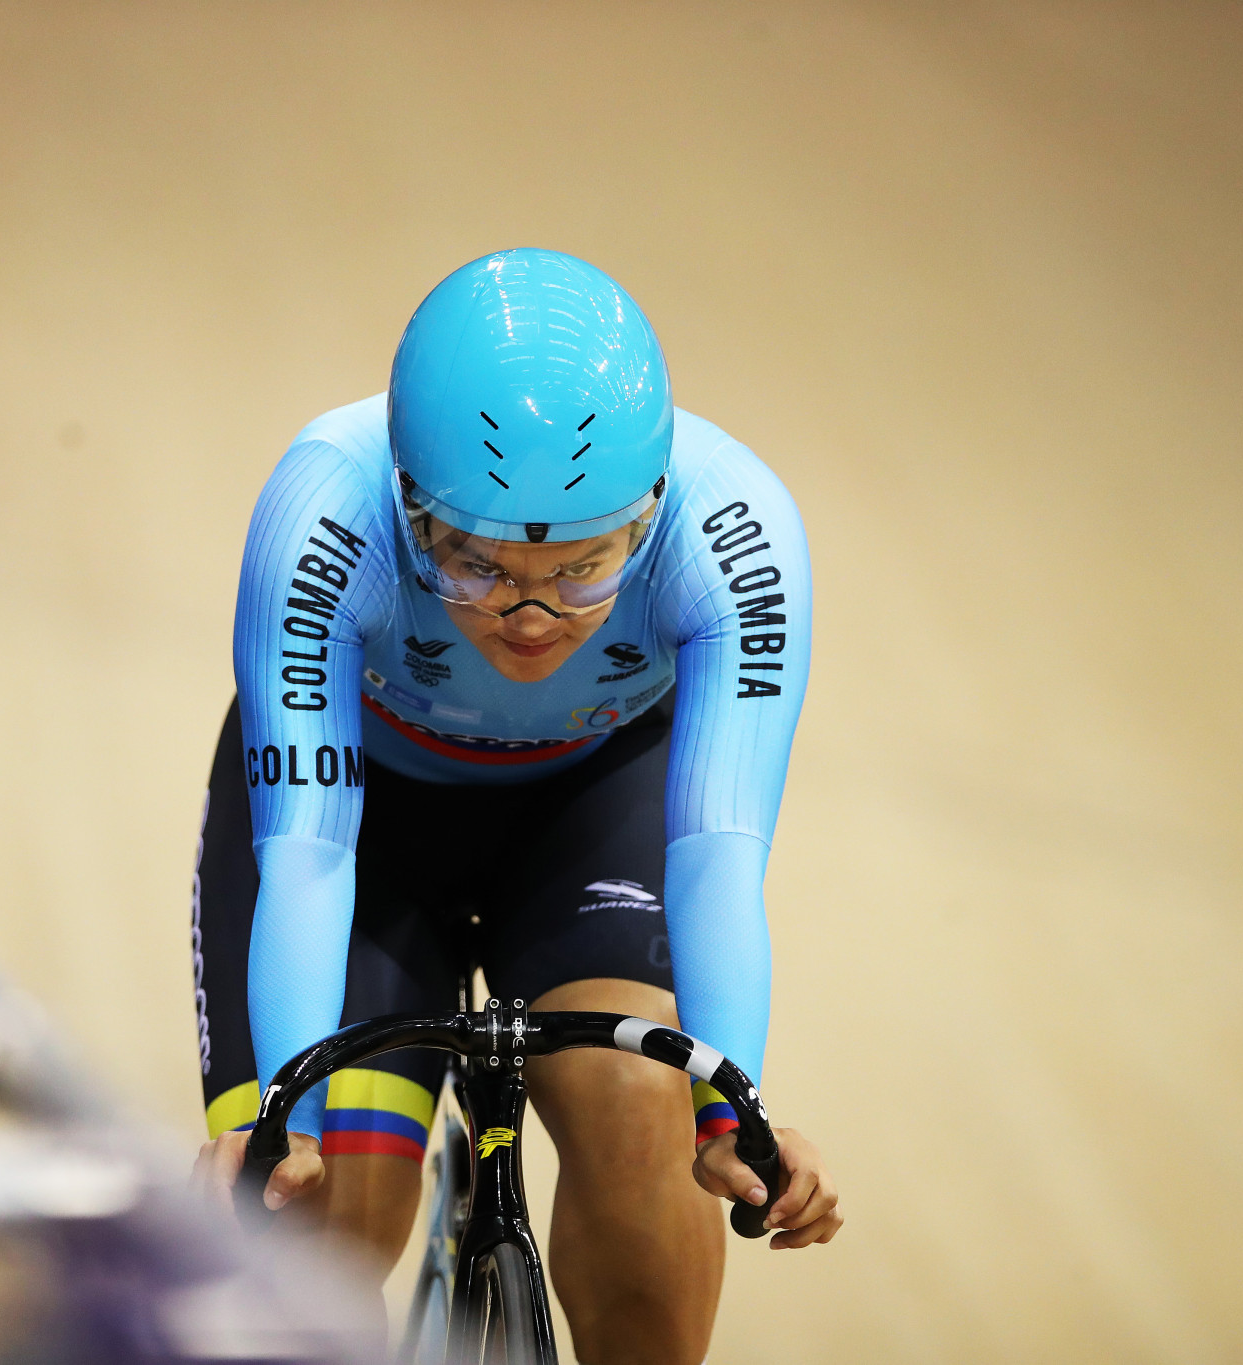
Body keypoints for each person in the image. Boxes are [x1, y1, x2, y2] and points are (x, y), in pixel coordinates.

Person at [192, 248, 841, 1364]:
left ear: (651, 519)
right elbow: (305, 857)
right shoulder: (322, 510)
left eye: (587, 571)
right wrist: (279, 1120)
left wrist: (731, 1106)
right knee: (319, 1217)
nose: (533, 615)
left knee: (648, 1125)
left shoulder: (735, 534)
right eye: (473, 568)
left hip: (592, 806)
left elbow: (716, 857)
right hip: (363, 818)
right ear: (404, 503)